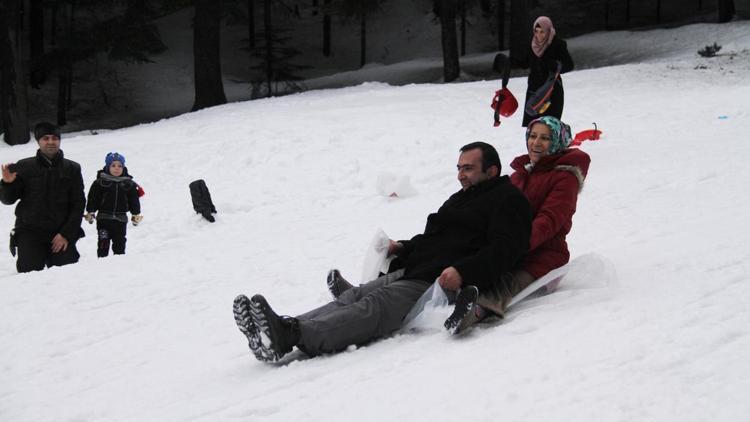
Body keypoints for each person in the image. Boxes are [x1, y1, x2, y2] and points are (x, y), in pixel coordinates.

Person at [233, 142, 532, 362]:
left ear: (491, 171)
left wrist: (464, 272)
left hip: (440, 280)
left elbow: (506, 249)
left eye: (468, 168)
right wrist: (402, 246)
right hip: (417, 268)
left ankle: (292, 335)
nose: (460, 175)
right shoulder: (461, 197)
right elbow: (435, 236)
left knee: (373, 307)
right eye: (458, 168)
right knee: (354, 295)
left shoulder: (507, 200)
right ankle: (278, 328)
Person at [447, 116, 591, 333]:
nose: (536, 143)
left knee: (506, 284)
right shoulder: (520, 174)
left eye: (545, 138)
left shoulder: (565, 178)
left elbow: (550, 220)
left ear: (557, 142)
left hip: (544, 256)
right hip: (510, 246)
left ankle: (476, 310)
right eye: (533, 136)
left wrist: (513, 245)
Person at [0, 122, 86, 273]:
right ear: (38, 141)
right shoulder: (24, 166)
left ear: (59, 140)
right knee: (29, 273)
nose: (51, 142)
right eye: (45, 138)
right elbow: (8, 200)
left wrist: (65, 234)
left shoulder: (72, 168)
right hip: (30, 231)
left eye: (54, 138)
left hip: (60, 232)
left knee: (68, 274)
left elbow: (78, 204)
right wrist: (8, 184)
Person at [84, 152, 142, 257]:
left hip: (121, 219)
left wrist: (136, 213)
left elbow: (134, 200)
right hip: (103, 219)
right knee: (103, 242)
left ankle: (119, 262)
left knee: (120, 242)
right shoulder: (100, 182)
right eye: (113, 165)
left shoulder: (128, 184)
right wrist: (91, 211)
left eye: (120, 166)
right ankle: (102, 261)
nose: (117, 168)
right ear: (107, 166)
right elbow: (93, 198)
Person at [522, 16, 574, 127]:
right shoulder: (532, 45)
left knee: (549, 126)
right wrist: (508, 63)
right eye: (536, 32)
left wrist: (554, 65)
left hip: (552, 91)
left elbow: (569, 65)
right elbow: (525, 63)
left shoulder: (557, 44)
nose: (539, 35)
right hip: (534, 91)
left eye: (542, 32)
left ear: (549, 31)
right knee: (533, 126)